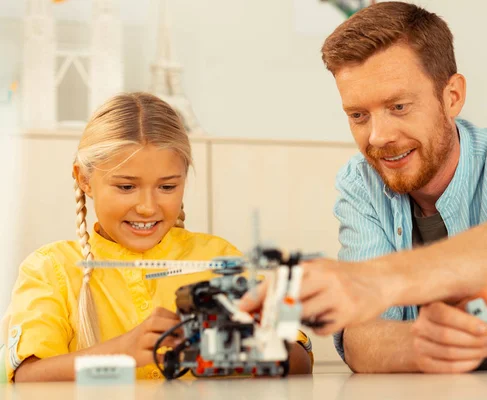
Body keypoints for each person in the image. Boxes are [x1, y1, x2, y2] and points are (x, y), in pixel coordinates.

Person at [240, 1, 487, 373]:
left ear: (452, 96)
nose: (378, 138)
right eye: (358, 115)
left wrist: (369, 282)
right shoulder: (360, 184)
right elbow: (361, 339)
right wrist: (416, 344)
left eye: (398, 106)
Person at [2, 92, 313, 382]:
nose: (148, 208)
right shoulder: (50, 269)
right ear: (84, 179)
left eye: (167, 187)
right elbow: (27, 377)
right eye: (126, 187)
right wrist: (122, 353)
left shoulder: (219, 259)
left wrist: (243, 348)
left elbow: (301, 362)